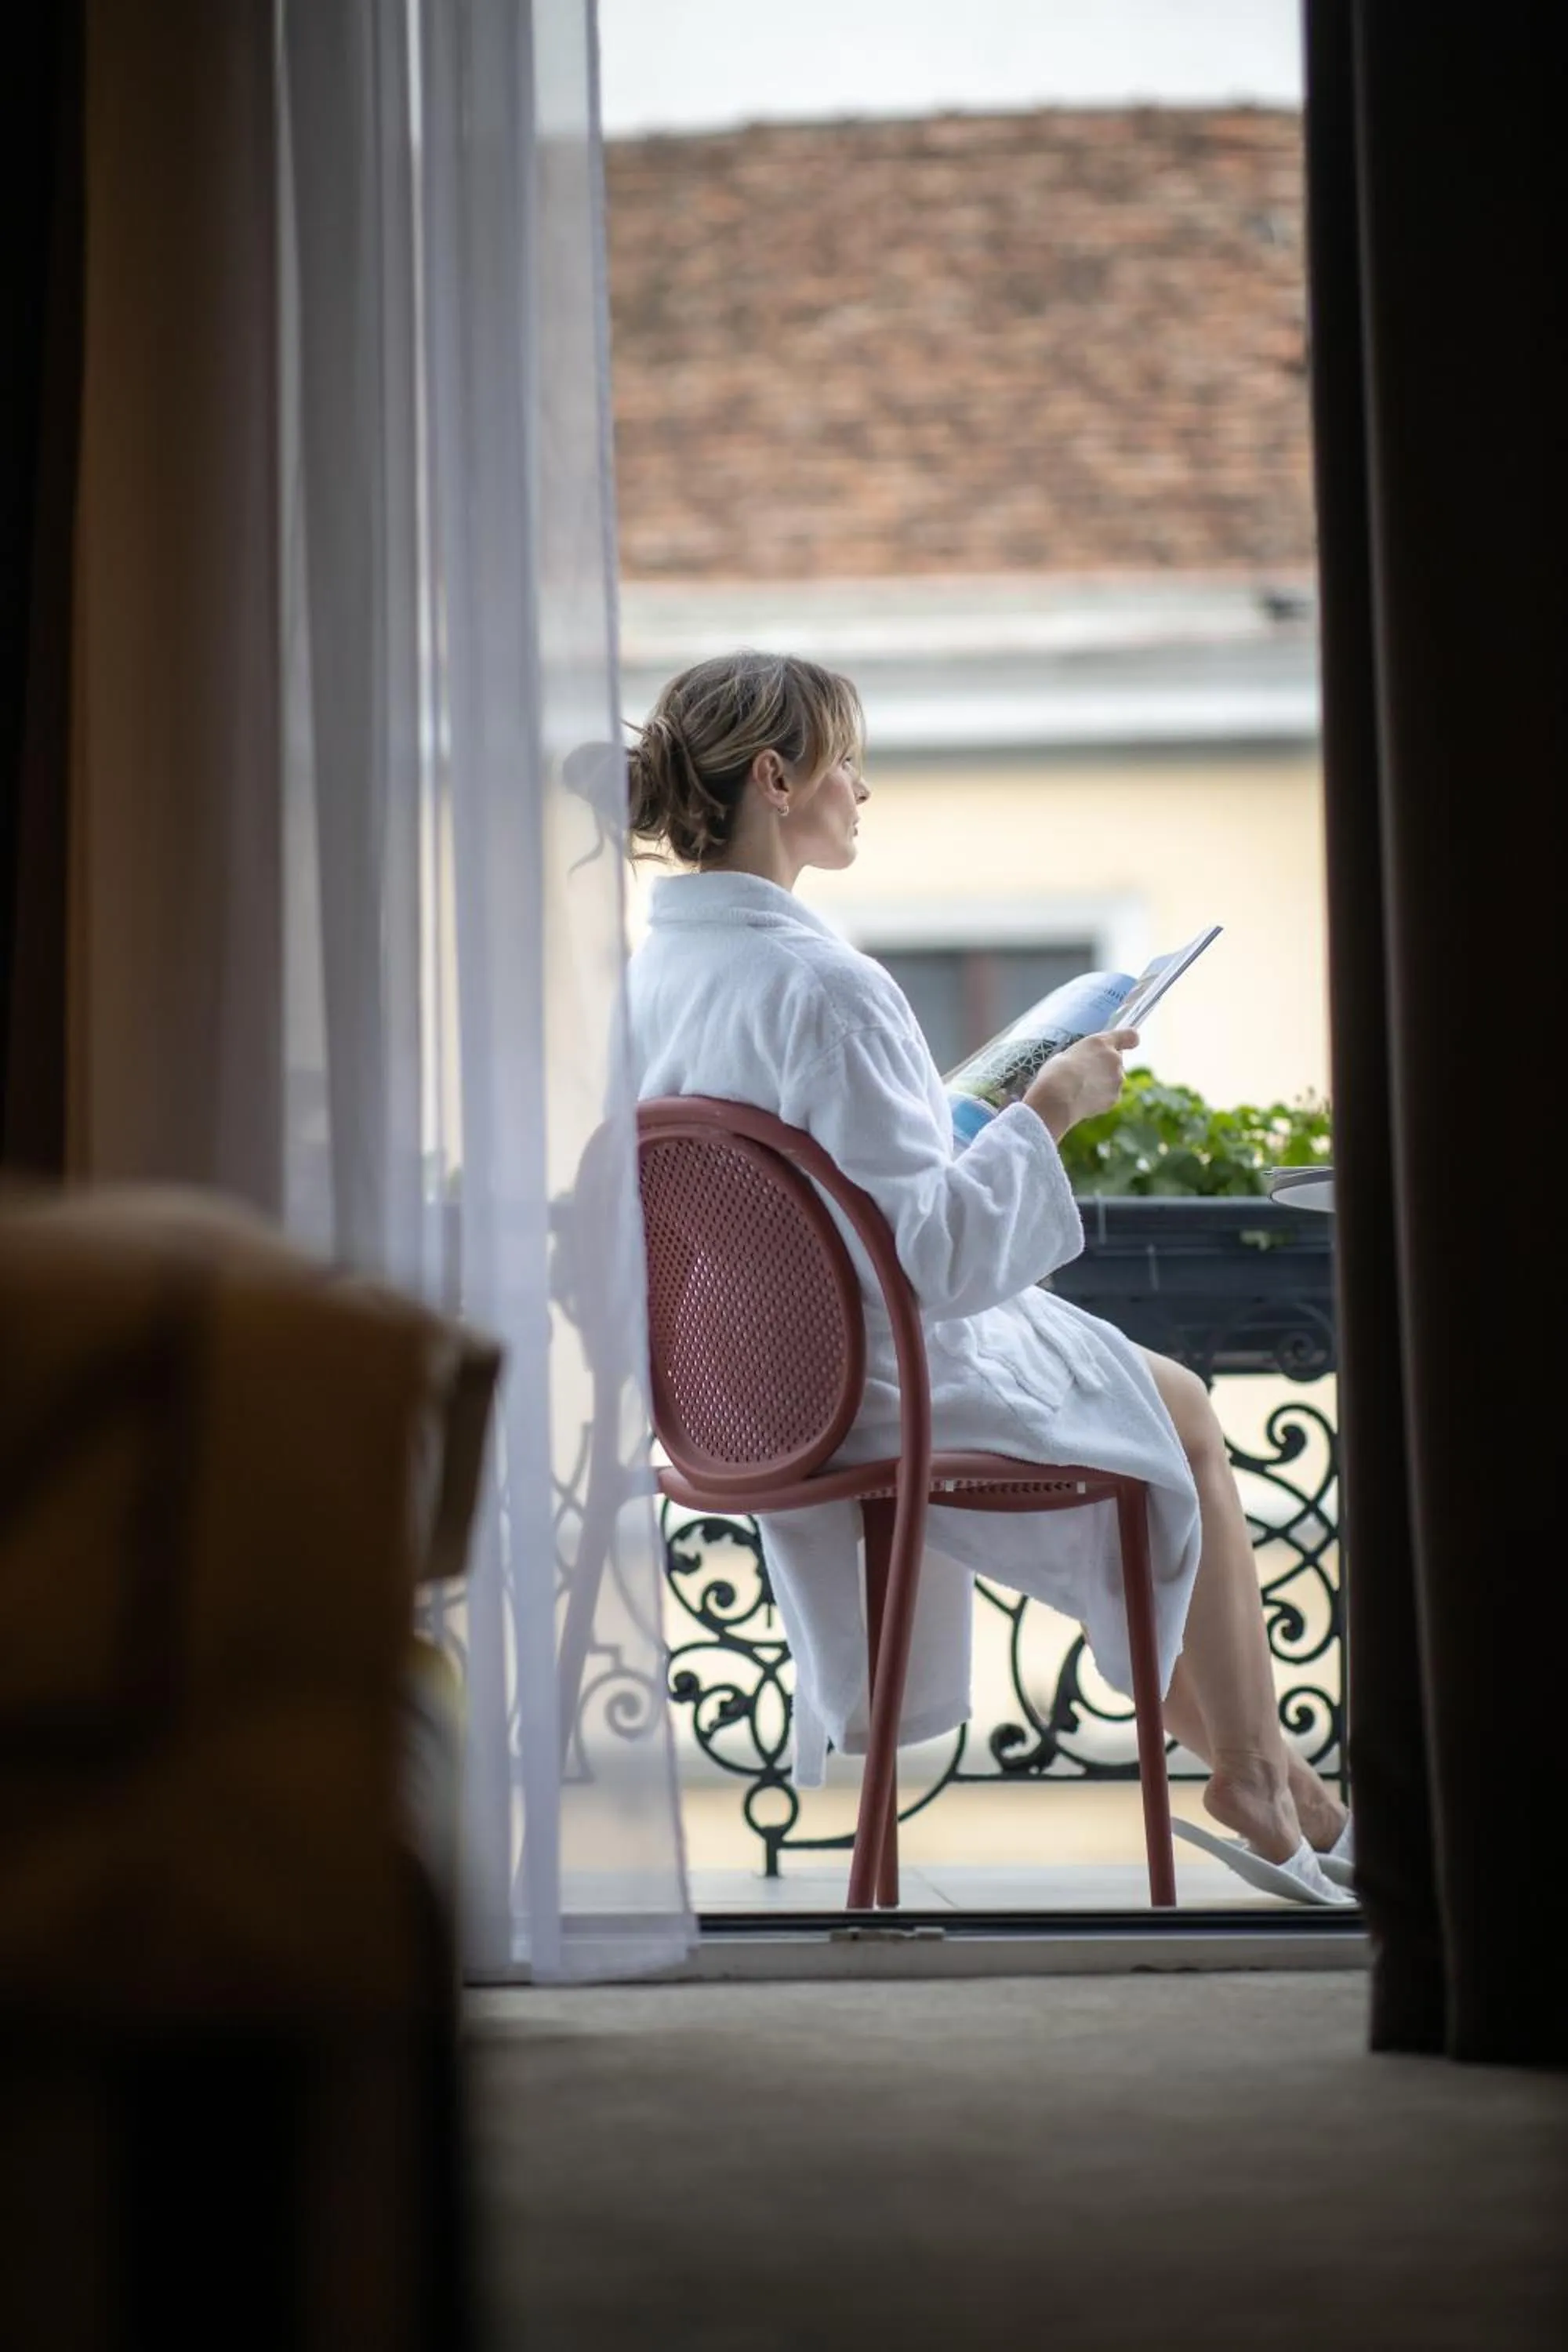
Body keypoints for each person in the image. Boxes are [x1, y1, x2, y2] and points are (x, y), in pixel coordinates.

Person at [625, 651, 1352, 1906]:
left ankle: (1286, 1782)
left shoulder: (653, 976)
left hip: (740, 1378)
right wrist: (1051, 1105)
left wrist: (953, 1120)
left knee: (1155, 1411)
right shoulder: (826, 985)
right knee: (1178, 1415)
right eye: (845, 760)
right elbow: (944, 1259)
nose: (863, 788)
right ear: (775, 776)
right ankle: (1252, 1770)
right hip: (873, 1373)